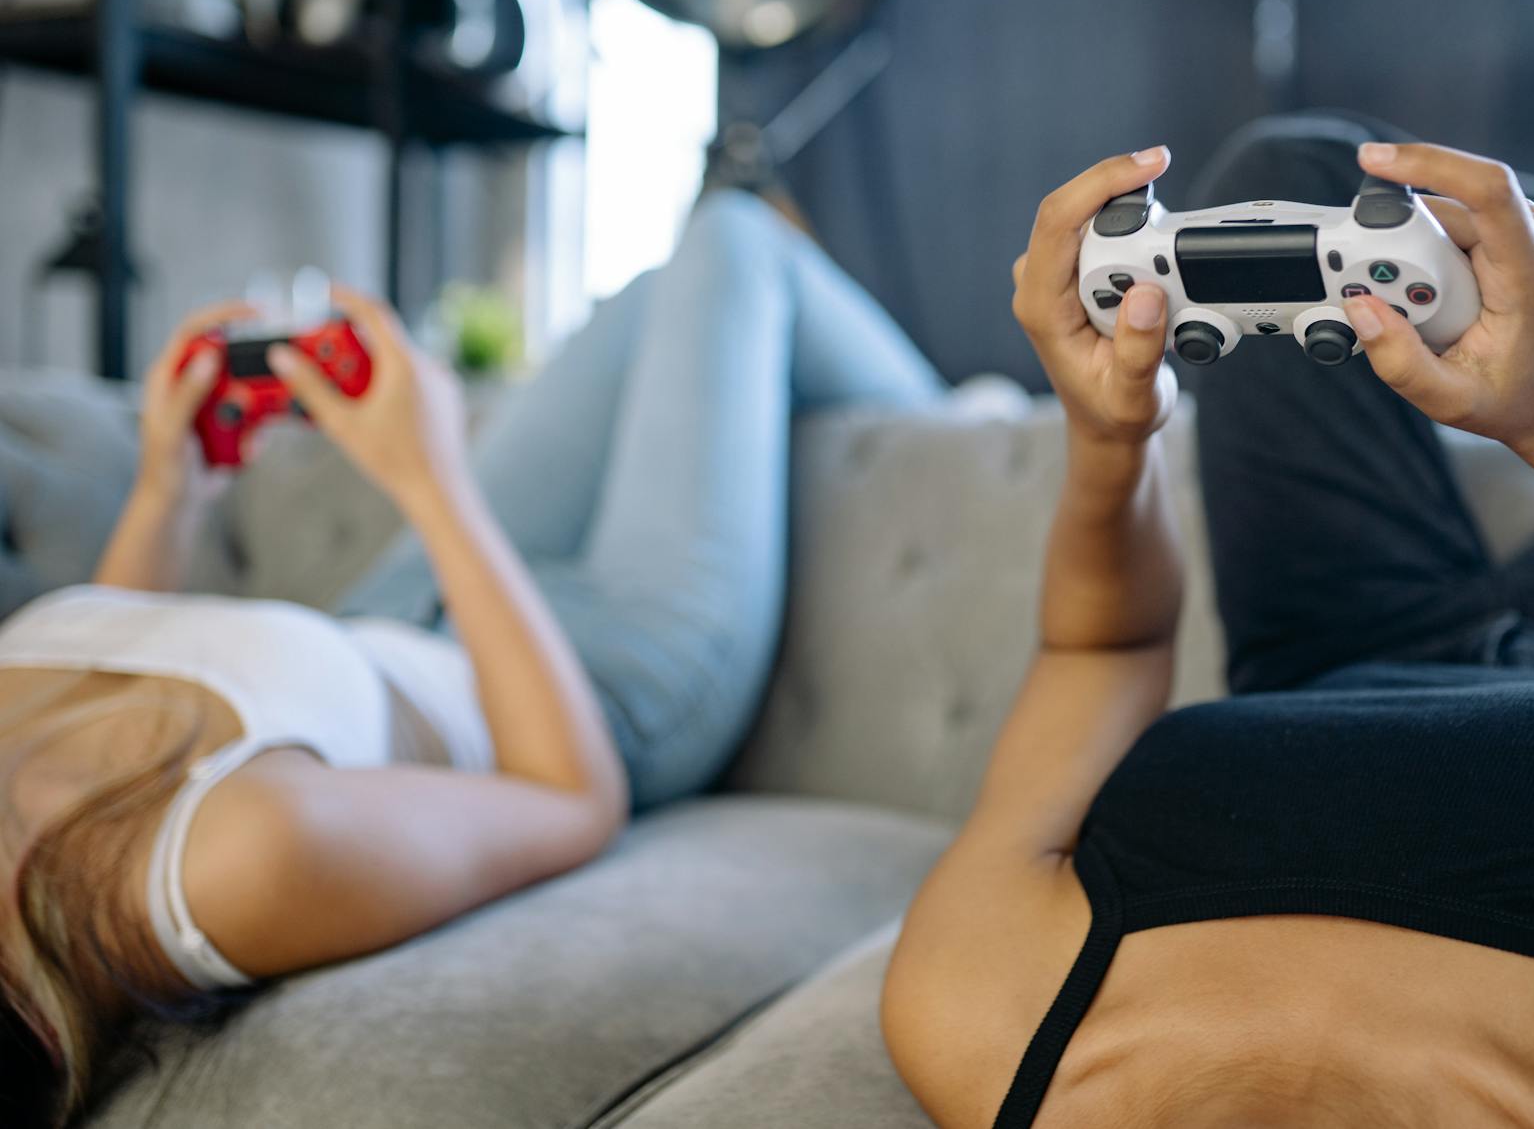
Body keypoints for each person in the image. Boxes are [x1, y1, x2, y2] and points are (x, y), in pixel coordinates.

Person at [881, 114, 1534, 1128]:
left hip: (1330, 648)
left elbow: (1100, 649)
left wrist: (1108, 432)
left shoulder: (976, 1024)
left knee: (1284, 173)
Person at [0, 190, 943, 1128]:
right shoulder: (222, 866)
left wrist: (171, 486)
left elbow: (107, 651)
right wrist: (430, 475)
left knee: (657, 293)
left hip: (404, 605)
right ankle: (970, 431)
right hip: (592, 676)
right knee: (734, 243)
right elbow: (572, 795)